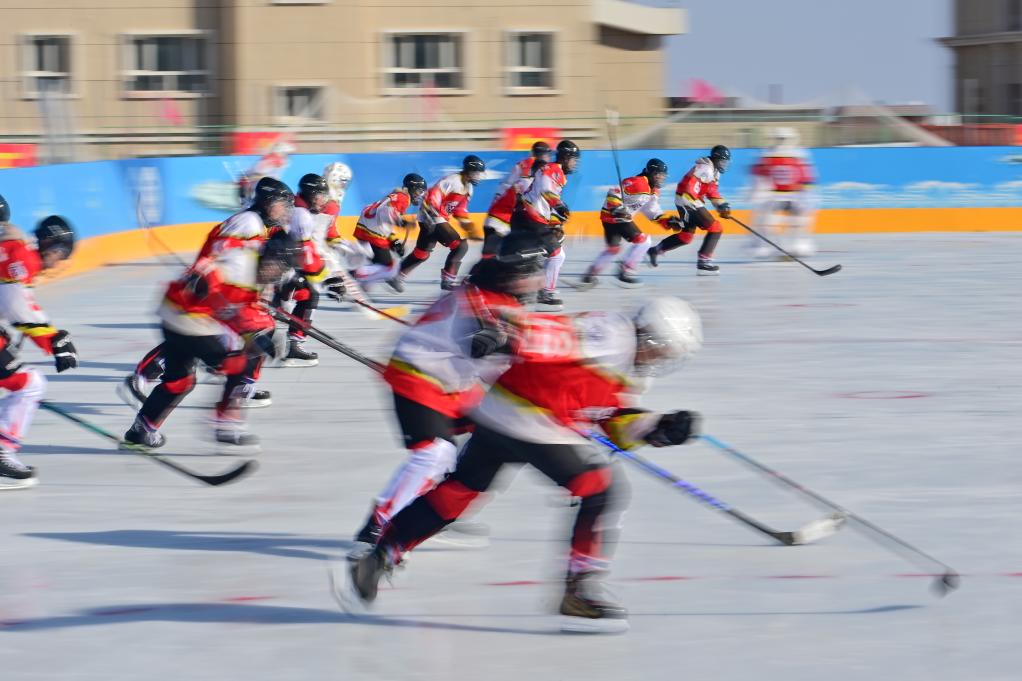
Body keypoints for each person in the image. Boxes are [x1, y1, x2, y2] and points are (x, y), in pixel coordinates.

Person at [338, 296, 703, 634]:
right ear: (649, 335)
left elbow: (613, 420)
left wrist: (658, 427)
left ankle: (380, 556)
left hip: (498, 415)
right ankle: (579, 592)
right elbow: (554, 333)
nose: (661, 358)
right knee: (599, 490)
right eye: (663, 349)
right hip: (534, 420)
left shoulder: (633, 366)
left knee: (458, 492)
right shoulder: (612, 333)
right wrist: (508, 336)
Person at [350, 230, 547, 549]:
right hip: (418, 376)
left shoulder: (495, 292)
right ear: (516, 272)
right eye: (533, 272)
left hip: (453, 381)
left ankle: (432, 509)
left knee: (490, 439)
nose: (539, 280)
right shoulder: (486, 301)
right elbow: (493, 352)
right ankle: (380, 524)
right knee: (434, 454)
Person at [117, 178, 294, 407]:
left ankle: (239, 386)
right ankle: (140, 377)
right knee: (190, 337)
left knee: (196, 339)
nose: (285, 210)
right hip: (211, 289)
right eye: (282, 203)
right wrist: (212, 282)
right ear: (268, 201)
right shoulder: (248, 222)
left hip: (220, 288)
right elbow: (221, 251)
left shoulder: (257, 224)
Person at [122, 232, 300, 451]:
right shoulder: (240, 261)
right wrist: (203, 283)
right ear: (268, 255)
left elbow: (240, 313)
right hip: (188, 318)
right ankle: (225, 425)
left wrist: (254, 334)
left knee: (179, 382)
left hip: (180, 317)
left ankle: (141, 429)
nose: (275, 273)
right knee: (238, 365)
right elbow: (206, 269)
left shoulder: (261, 281)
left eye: (281, 270)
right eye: (276, 265)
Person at [0, 208, 78, 489]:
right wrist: (53, 340)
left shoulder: (14, 248)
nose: (59, 263)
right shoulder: (21, 254)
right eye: (61, 254)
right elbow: (16, 304)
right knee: (29, 384)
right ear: (51, 246)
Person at [579, 158, 679, 289]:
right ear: (651, 173)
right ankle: (626, 270)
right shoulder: (638, 182)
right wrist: (616, 208)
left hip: (610, 218)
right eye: (659, 175)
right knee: (644, 241)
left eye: (663, 175)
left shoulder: (653, 191)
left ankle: (589, 276)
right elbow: (615, 191)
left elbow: (651, 210)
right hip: (616, 217)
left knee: (613, 249)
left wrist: (666, 221)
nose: (661, 178)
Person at [397, 156, 485, 291]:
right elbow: (435, 193)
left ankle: (396, 275)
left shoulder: (469, 188)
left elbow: (460, 210)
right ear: (468, 170)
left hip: (434, 218)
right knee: (460, 246)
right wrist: (432, 209)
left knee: (422, 253)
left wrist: (468, 226)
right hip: (433, 216)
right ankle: (448, 280)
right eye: (476, 172)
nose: (478, 176)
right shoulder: (453, 180)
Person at [511, 140, 580, 310]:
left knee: (542, 253)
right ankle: (546, 294)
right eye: (573, 159)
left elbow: (546, 200)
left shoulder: (555, 172)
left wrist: (556, 221)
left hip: (526, 217)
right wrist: (559, 205)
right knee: (557, 255)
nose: (575, 163)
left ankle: (522, 288)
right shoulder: (553, 169)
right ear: (565, 157)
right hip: (529, 217)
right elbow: (545, 190)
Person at [647, 145, 732, 275]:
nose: (723, 164)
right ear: (715, 159)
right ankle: (704, 261)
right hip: (688, 201)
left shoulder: (715, 172)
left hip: (688, 201)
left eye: (725, 162)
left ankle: (655, 250)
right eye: (722, 161)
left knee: (686, 236)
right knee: (716, 228)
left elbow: (711, 191)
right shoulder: (705, 168)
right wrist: (691, 202)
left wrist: (721, 204)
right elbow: (690, 184)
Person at [748, 128, 818, 258]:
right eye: (779, 139)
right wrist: (757, 191)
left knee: (800, 220)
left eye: (785, 139)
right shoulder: (766, 155)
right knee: (766, 220)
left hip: (795, 195)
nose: (782, 142)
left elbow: (806, 177)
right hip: (774, 195)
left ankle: (799, 243)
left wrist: (806, 194)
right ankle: (763, 245)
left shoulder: (799, 155)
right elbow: (759, 176)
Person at [351, 174, 427, 291]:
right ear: (411, 188)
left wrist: (393, 241)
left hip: (366, 229)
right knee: (388, 268)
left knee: (379, 265)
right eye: (418, 191)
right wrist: (403, 223)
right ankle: (352, 274)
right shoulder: (403, 198)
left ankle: (361, 289)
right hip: (374, 233)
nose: (420, 195)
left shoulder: (397, 196)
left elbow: (383, 218)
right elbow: (384, 212)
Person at [481, 141, 552, 257]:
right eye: (548, 155)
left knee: (496, 253)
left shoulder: (522, 167)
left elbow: (505, 187)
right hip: (508, 217)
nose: (549, 158)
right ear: (544, 155)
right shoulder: (534, 170)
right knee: (497, 254)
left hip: (503, 216)